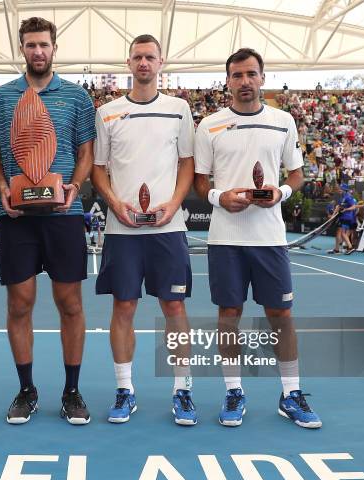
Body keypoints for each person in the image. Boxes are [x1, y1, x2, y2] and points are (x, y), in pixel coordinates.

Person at [194, 47, 322, 429]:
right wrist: (221, 198)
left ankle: (291, 393)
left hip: (269, 238)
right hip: (225, 239)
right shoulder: (209, 125)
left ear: (263, 78)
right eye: (237, 75)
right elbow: (201, 183)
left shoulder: (284, 121)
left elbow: (296, 175)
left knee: (280, 315)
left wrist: (279, 193)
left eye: (251, 74)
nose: (245, 81)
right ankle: (234, 392)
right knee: (228, 316)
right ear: (227, 81)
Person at [0, 17, 95, 425]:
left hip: (64, 215)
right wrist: (2, 190)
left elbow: (85, 155)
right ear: (22, 49)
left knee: (70, 304)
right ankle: (27, 390)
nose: (38, 52)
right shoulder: (0, 98)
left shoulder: (78, 98)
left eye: (44, 44)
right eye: (30, 45)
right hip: (15, 217)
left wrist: (74, 190)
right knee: (20, 304)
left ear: (54, 48)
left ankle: (72, 391)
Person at [92, 34, 196, 425]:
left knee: (174, 306)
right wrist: (116, 204)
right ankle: (124, 390)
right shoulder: (108, 112)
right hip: (122, 230)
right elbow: (98, 169)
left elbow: (187, 162)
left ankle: (182, 390)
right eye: (137, 57)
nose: (143, 63)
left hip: (168, 229)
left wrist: (174, 203)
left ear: (161, 62)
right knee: (124, 307)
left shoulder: (179, 109)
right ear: (129, 62)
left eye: (150, 57)